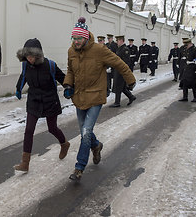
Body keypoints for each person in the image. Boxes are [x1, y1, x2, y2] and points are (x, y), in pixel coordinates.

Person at [63, 18, 136, 181]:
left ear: (86, 37)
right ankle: (96, 146)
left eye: (79, 39)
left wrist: (130, 79)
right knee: (85, 133)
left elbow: (119, 63)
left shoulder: (99, 50)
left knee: (86, 132)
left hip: (96, 96)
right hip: (79, 97)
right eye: (73, 39)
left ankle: (79, 168)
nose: (76, 42)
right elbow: (70, 70)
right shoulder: (71, 51)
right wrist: (68, 85)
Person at [14, 38, 70, 172]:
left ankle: (64, 143)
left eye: (32, 56)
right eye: (27, 56)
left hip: (50, 100)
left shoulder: (50, 65)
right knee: (28, 130)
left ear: (38, 55)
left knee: (52, 128)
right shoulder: (26, 65)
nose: (29, 59)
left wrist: (68, 88)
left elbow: (62, 78)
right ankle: (25, 163)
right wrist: (18, 89)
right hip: (34, 100)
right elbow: (23, 77)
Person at [110, 36, 136, 107]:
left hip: (121, 71)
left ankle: (117, 102)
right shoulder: (119, 48)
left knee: (118, 86)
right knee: (123, 87)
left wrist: (122, 70)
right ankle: (131, 97)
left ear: (121, 41)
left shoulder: (125, 49)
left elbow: (126, 62)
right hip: (117, 70)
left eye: (118, 40)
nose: (117, 42)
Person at [178, 38, 196, 102]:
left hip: (193, 68)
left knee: (193, 83)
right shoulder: (188, 50)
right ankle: (185, 97)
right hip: (187, 68)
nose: (185, 46)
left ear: (190, 43)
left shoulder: (195, 50)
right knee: (184, 82)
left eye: (186, 45)